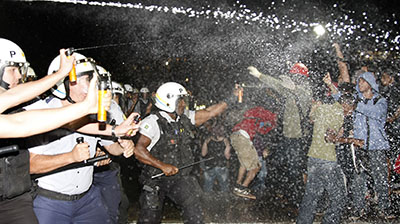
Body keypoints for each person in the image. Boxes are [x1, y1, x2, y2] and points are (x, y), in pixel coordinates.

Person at [0, 38, 111, 224]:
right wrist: (84, 108)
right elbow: (21, 124)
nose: (19, 76)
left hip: (13, 201)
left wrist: (61, 73)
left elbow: (16, 105)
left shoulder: (12, 102)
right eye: (13, 69)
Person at [26, 53, 137, 224]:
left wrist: (123, 145)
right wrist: (70, 158)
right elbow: (31, 165)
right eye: (85, 80)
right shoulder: (39, 111)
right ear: (62, 83)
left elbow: (111, 147)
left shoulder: (93, 112)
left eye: (93, 80)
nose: (91, 87)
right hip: (51, 201)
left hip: (87, 199)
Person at [134, 82, 228, 223]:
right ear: (168, 101)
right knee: (150, 218)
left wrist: (232, 97)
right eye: (180, 100)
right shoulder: (152, 122)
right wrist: (162, 166)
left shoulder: (183, 119)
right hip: (155, 179)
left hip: (177, 178)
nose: (184, 104)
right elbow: (138, 151)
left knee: (194, 210)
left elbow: (211, 113)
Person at [248, 63, 312, 205]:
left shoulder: (305, 91)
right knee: (279, 165)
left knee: (294, 170)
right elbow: (278, 86)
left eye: (295, 76)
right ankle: (287, 195)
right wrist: (260, 76)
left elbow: (304, 98)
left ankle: (298, 200)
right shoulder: (291, 92)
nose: (292, 79)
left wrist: (294, 88)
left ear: (301, 78)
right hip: (287, 138)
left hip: (297, 139)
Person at [296, 93, 352, 224]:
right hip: (327, 160)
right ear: (346, 104)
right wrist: (349, 139)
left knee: (311, 196)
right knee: (339, 197)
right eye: (351, 108)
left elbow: (311, 118)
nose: (351, 112)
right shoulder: (338, 113)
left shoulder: (323, 108)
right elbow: (329, 137)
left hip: (313, 158)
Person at [349, 71, 392, 219]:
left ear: (370, 84)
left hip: (377, 146)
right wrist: (331, 86)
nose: (359, 84)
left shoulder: (380, 101)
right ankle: (358, 208)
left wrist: (357, 106)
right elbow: (342, 100)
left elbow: (375, 113)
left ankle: (384, 208)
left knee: (380, 179)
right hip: (360, 146)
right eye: (358, 82)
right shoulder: (357, 100)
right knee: (358, 179)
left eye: (362, 81)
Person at [92, 65, 131, 224]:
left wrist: (125, 144)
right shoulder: (71, 107)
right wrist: (91, 153)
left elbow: (117, 139)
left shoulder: (112, 108)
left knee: (116, 207)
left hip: (108, 168)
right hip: (78, 173)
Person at [228, 106, 277, 200]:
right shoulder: (261, 112)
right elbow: (270, 119)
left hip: (236, 136)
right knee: (257, 166)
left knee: (243, 164)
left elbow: (261, 130)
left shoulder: (254, 117)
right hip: (243, 137)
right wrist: (274, 121)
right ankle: (243, 188)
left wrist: (267, 125)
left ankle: (238, 185)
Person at [201, 124, 231, 193]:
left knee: (208, 185)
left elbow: (203, 154)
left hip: (209, 165)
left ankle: (207, 200)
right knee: (224, 185)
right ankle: (224, 200)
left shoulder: (207, 140)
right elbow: (227, 156)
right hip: (221, 165)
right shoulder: (225, 141)